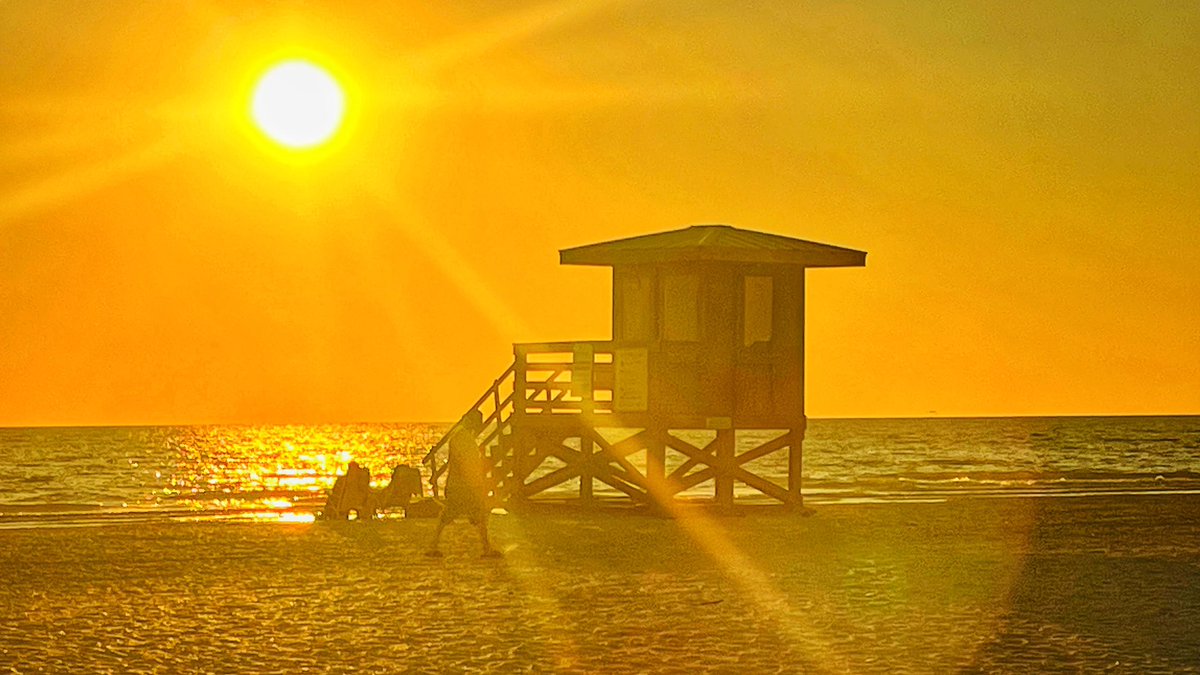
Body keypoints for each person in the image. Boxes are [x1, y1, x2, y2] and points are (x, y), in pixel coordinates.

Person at [426, 410, 499, 557]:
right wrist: (478, 482)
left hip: (456, 484)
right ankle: (486, 548)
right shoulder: (464, 438)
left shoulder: (458, 436)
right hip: (464, 486)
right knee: (478, 513)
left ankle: (433, 545)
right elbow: (468, 463)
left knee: (450, 516)